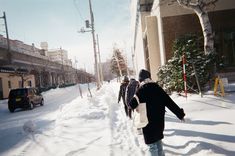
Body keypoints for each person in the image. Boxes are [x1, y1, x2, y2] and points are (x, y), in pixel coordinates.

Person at [129, 69, 185, 156]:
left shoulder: (141, 90)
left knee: (152, 147)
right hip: (159, 123)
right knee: (159, 143)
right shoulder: (158, 88)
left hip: (148, 123)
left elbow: (131, 104)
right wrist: (180, 114)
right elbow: (169, 102)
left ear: (141, 79)